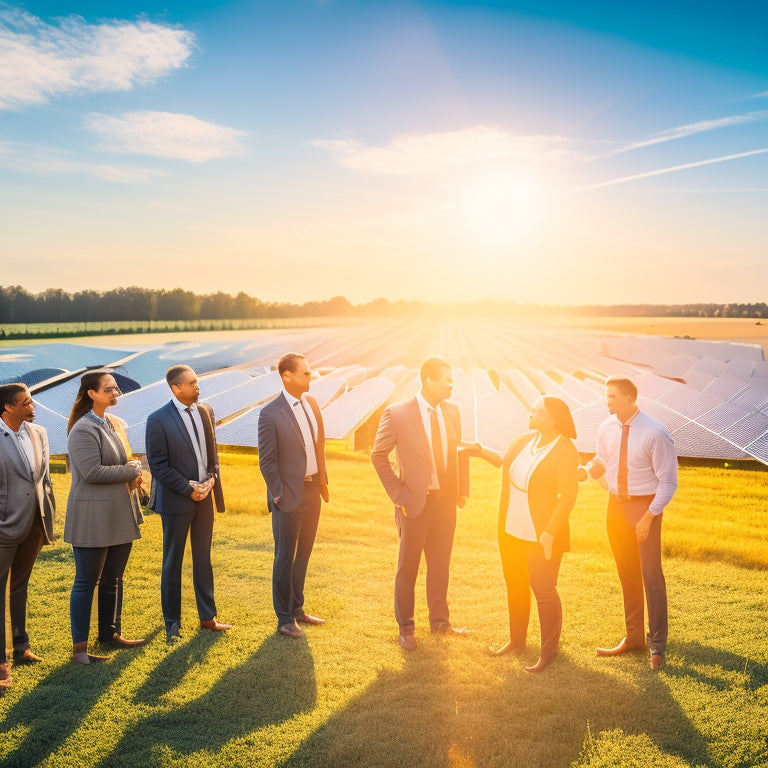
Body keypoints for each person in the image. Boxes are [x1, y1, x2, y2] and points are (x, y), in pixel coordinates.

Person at [371, 356, 475, 651]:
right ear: (428, 380)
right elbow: (378, 456)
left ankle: (440, 623)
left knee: (440, 566)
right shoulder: (398, 413)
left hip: (446, 504)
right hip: (414, 505)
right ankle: (406, 628)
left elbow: (459, 451)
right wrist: (399, 495)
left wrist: (462, 490)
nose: (452, 385)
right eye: (447, 379)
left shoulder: (453, 411)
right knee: (408, 569)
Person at [586, 376, 677, 670]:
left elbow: (668, 482)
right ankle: (634, 637)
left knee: (651, 577)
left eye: (611, 397)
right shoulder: (606, 427)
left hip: (644, 509)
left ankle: (658, 647)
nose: (606, 401)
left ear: (629, 398)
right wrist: (589, 469)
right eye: (606, 396)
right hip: (615, 507)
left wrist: (648, 517)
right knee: (627, 574)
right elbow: (603, 460)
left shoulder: (655, 433)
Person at [483, 396, 580, 673]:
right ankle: (516, 640)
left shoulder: (565, 449)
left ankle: (548, 652)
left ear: (552, 419)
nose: (531, 412)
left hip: (543, 535)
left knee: (543, 589)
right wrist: (479, 450)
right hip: (511, 529)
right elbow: (504, 463)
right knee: (515, 583)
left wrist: (549, 533)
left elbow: (568, 496)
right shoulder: (523, 441)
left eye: (537, 411)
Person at [65, 371, 146, 665]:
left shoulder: (114, 423)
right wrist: (133, 470)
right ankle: (80, 650)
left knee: (113, 578)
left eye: (116, 389)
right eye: (109, 389)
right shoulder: (82, 429)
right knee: (87, 581)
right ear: (92, 394)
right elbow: (92, 472)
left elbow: (120, 463)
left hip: (119, 513)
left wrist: (131, 473)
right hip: (93, 517)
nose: (116, 394)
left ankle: (110, 634)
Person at [145, 365, 230, 643]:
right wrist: (187, 488)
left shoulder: (205, 411)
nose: (197, 387)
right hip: (176, 501)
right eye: (192, 383)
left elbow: (211, 452)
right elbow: (157, 465)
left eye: (197, 382)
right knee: (173, 561)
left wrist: (211, 480)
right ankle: (172, 623)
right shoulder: (157, 420)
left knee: (203, 558)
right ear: (175, 388)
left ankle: (208, 618)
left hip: (205, 498)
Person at [258, 352, 329, 639]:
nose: (311, 377)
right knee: (285, 557)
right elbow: (267, 460)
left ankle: (298, 608)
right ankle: (284, 618)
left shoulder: (312, 403)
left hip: (313, 490)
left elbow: (318, 445)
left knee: (304, 553)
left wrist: (322, 481)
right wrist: (278, 494)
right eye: (306, 373)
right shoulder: (270, 413)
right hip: (288, 495)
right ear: (287, 376)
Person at [0, 384, 56, 688]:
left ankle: (21, 647)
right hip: (4, 527)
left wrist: (48, 517)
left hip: (35, 523)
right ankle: (0, 662)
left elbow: (44, 480)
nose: (33, 407)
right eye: (26, 402)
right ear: (8, 407)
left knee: (20, 586)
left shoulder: (40, 433)